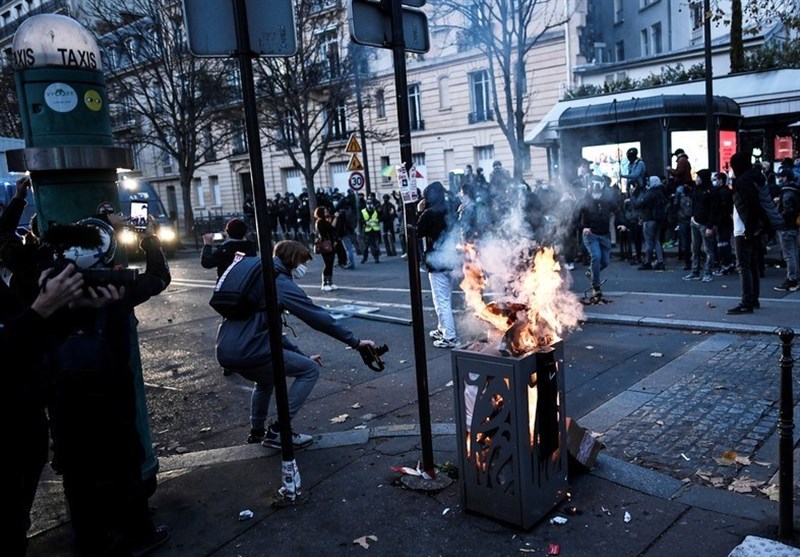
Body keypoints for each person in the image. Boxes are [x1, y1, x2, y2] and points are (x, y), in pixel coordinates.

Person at [43, 216, 171, 555]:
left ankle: (91, 540)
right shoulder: (115, 286)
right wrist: (148, 239)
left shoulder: (44, 288)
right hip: (109, 390)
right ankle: (137, 532)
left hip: (63, 395)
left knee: (77, 472)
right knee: (124, 460)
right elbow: (159, 277)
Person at [215, 240, 377, 448]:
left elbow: (273, 331)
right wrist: (355, 342)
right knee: (309, 371)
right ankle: (279, 431)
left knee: (266, 380)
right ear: (292, 259)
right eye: (303, 261)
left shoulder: (261, 275)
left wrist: (300, 355)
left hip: (227, 348)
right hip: (250, 349)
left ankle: (257, 432)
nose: (304, 267)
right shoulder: (280, 283)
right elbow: (317, 317)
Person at [416, 181, 458, 348]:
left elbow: (416, 232)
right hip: (451, 259)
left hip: (437, 260)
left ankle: (450, 337)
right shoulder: (450, 208)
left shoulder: (430, 213)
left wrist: (419, 211)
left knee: (441, 301)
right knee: (444, 298)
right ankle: (443, 329)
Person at [579, 176, 626, 301]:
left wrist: (622, 223)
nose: (596, 188)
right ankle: (596, 287)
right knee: (596, 256)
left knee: (605, 261)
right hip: (591, 235)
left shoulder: (607, 199)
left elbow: (618, 211)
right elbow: (577, 213)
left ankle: (592, 272)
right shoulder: (585, 199)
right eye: (594, 185)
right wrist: (583, 227)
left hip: (604, 235)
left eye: (598, 185)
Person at [683, 169, 720, 283]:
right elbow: (692, 200)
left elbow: (713, 210)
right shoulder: (697, 189)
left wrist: (710, 226)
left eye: (698, 177)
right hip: (695, 221)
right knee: (695, 248)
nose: (697, 179)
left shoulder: (711, 191)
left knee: (708, 250)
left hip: (705, 224)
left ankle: (708, 272)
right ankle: (695, 271)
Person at [632, 176, 667, 271]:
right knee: (657, 241)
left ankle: (648, 262)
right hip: (658, 220)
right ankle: (660, 261)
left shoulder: (650, 193)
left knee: (649, 242)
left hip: (649, 219)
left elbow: (639, 203)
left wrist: (633, 197)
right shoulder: (660, 192)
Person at [774, 168, 800, 292]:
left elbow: (787, 210)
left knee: (788, 255)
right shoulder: (796, 190)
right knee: (794, 253)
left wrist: (778, 217)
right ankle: (795, 277)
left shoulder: (787, 192)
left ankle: (792, 279)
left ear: (785, 178)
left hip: (786, 226)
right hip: (794, 225)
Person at [314, 206, 338, 291]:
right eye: (324, 212)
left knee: (330, 264)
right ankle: (324, 283)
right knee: (327, 264)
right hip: (325, 245)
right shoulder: (320, 222)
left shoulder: (325, 221)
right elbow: (331, 228)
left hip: (330, 244)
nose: (326, 213)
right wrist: (335, 218)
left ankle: (330, 281)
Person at [360, 196, 381, 263]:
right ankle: (364, 258)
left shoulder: (376, 210)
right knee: (366, 246)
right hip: (367, 231)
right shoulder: (363, 211)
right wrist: (365, 222)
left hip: (375, 230)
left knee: (375, 245)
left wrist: (379, 219)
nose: (370, 204)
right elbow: (360, 220)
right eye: (368, 203)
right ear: (366, 204)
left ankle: (376, 258)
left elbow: (381, 216)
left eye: (371, 203)